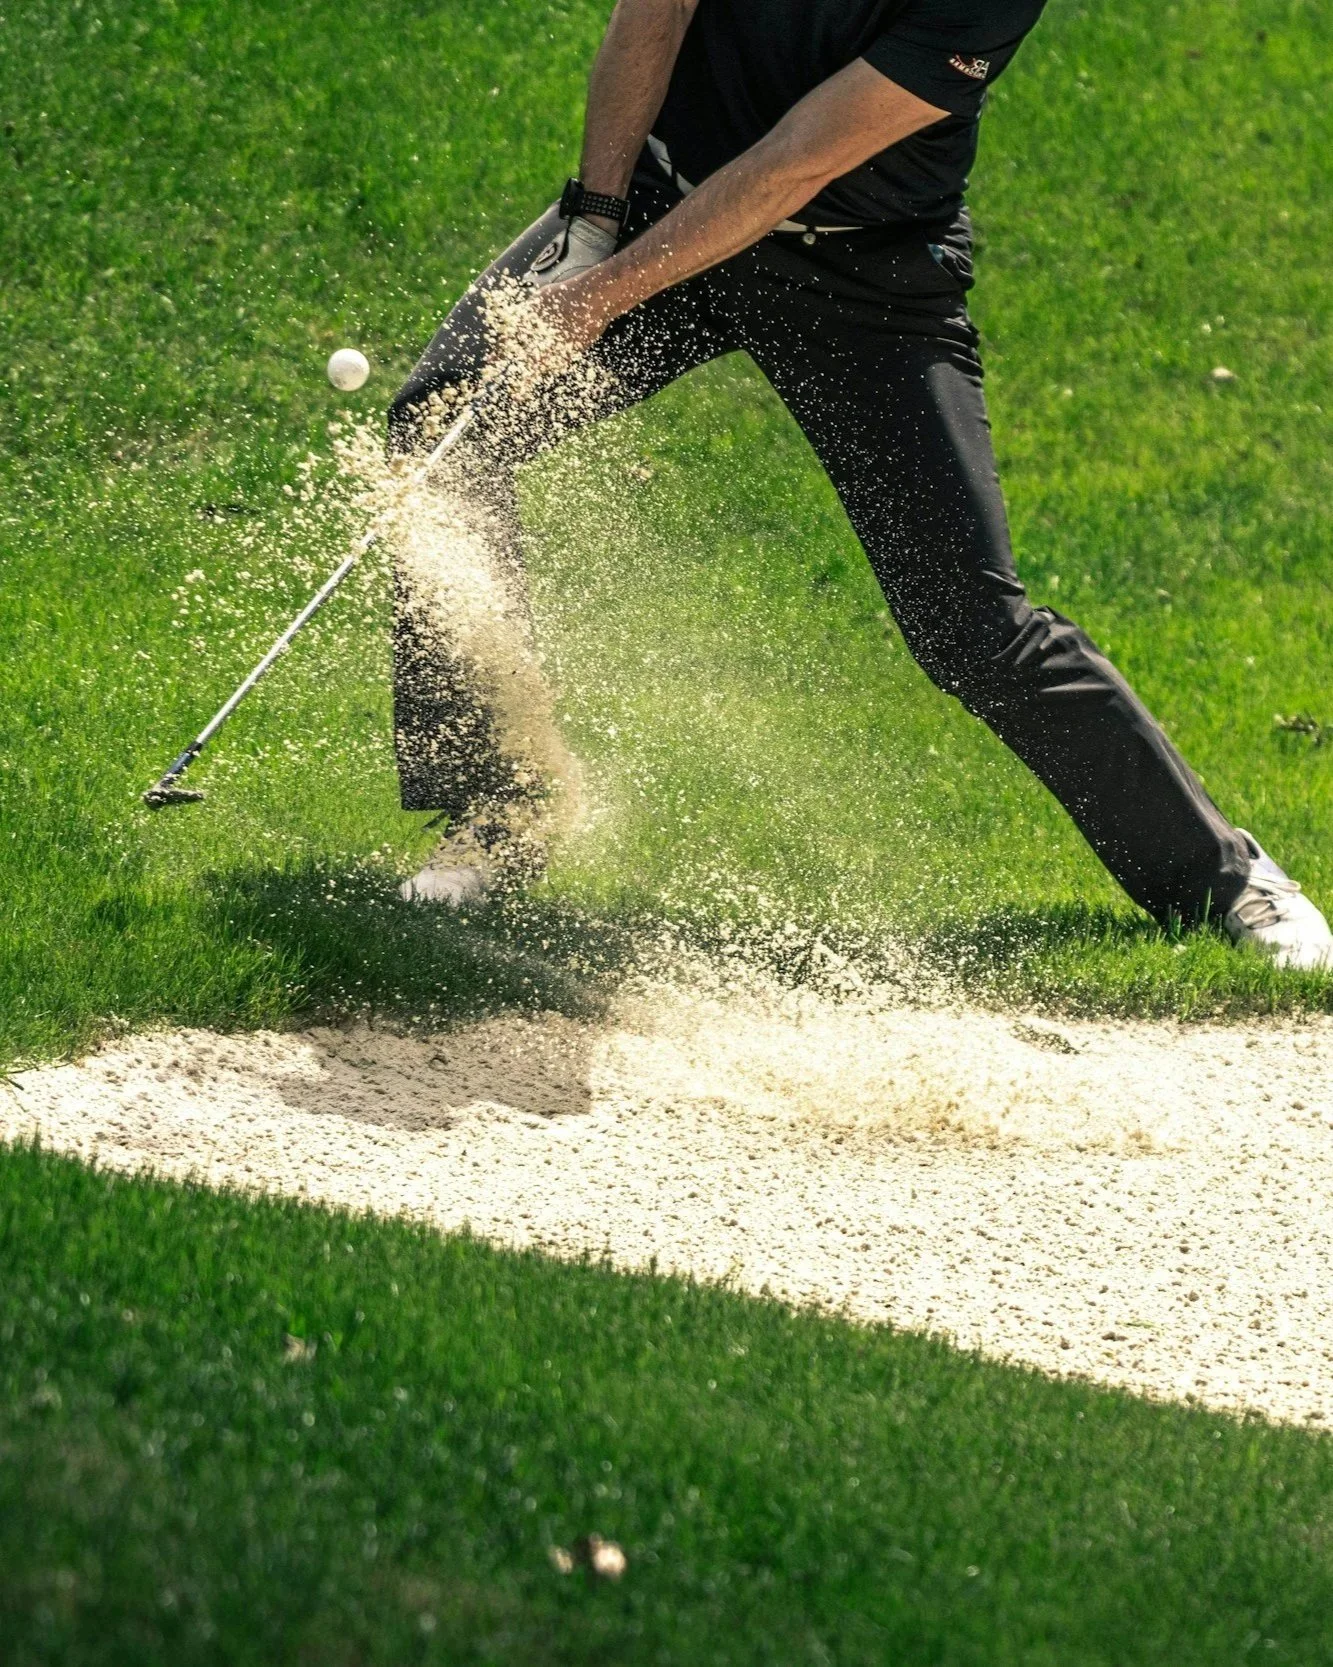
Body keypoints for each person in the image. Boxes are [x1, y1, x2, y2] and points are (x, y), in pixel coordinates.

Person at [387, 0, 1332, 970]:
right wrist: (593, 223)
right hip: (662, 209)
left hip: (861, 271)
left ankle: (1226, 877)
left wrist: (596, 294)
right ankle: (502, 811)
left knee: (966, 623)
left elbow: (796, 159)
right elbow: (655, 12)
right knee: (438, 438)